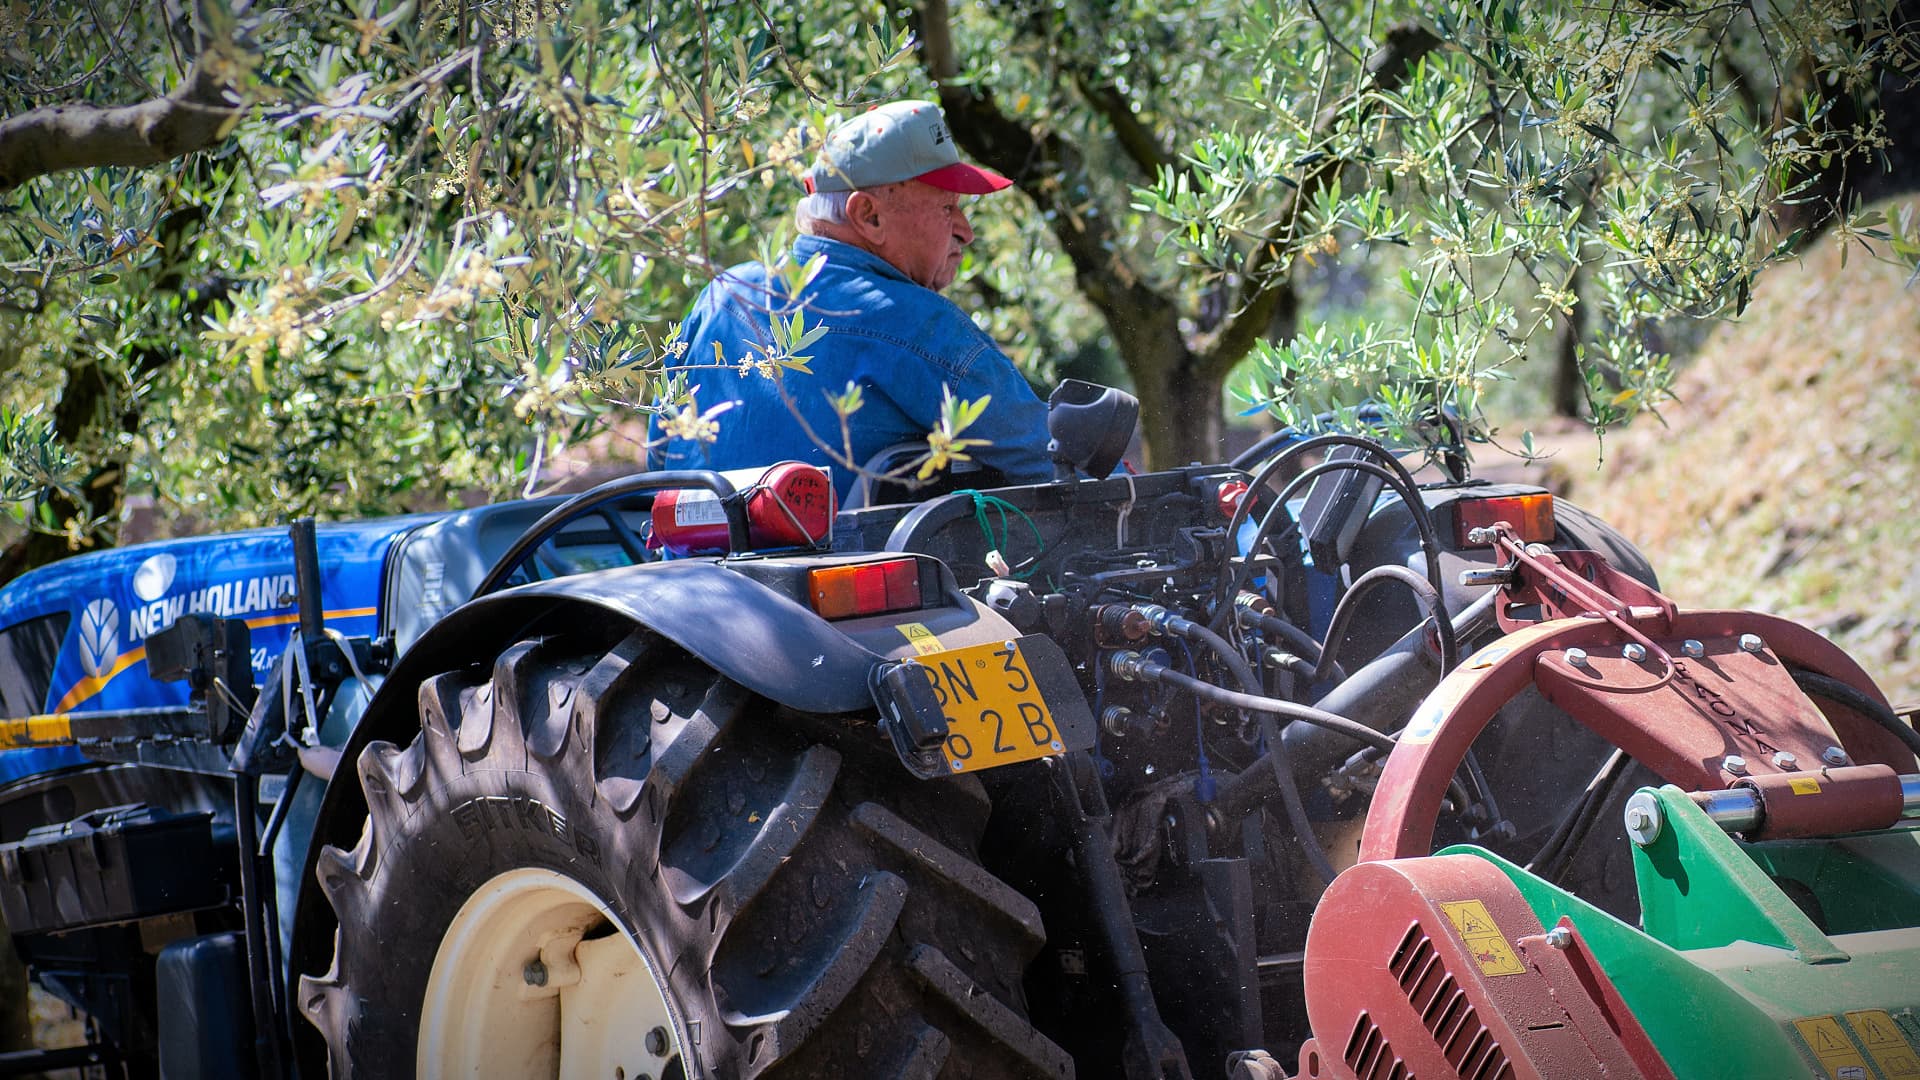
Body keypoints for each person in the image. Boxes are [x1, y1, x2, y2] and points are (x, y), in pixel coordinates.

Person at [648, 100, 1053, 499]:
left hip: (691, 565)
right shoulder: (918, 323)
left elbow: (659, 461)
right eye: (948, 207)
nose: (966, 231)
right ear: (869, 216)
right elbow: (1048, 459)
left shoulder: (722, 296)